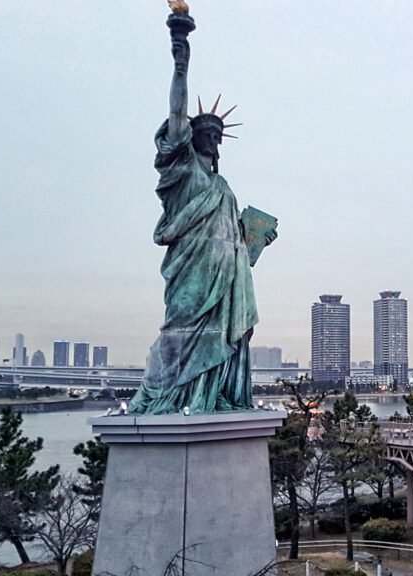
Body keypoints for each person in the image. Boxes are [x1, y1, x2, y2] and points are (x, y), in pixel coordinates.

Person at [130, 1, 275, 415]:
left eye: (218, 134)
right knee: (179, 329)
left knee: (224, 338)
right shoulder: (181, 171)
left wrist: (258, 240)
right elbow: (177, 109)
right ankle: (175, 396)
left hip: (226, 282)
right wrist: (180, 55)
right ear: (191, 136)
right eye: (205, 131)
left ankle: (215, 396)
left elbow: (236, 250)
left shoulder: (223, 187)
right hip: (191, 274)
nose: (212, 137)